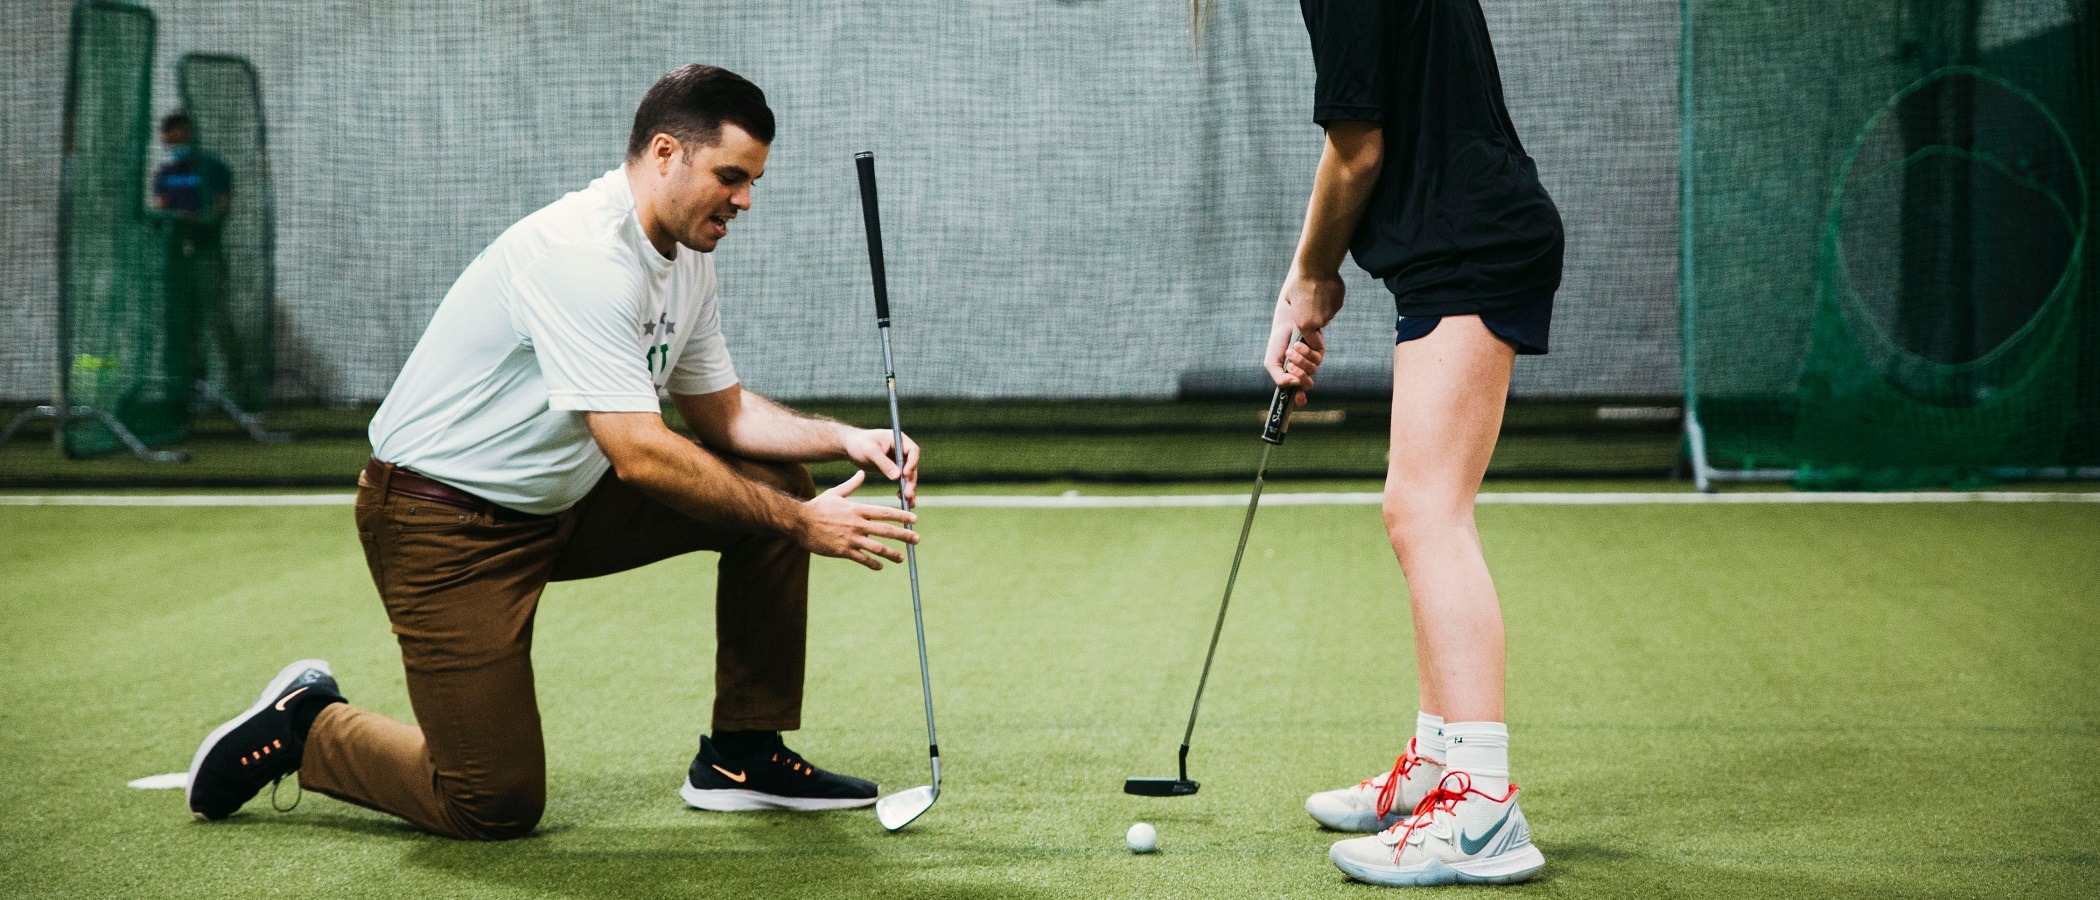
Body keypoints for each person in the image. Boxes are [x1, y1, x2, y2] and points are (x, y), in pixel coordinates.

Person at [182, 65, 926, 840]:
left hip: (563, 502)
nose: (744, 201)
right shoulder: (582, 258)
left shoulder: (687, 255)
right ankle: (308, 727)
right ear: (666, 152)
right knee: (491, 802)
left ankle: (742, 755)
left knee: (775, 479)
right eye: (731, 177)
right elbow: (640, 453)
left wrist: (847, 438)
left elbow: (724, 415)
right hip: (441, 525)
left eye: (753, 182)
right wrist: (802, 525)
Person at [1272, 0, 1565, 888]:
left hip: (1468, 237)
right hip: (1459, 233)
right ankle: (1439, 764)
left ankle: (1480, 811)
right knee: (1423, 505)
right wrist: (1303, 280)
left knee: (1426, 511)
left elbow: (1359, 149)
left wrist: (1314, 276)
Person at [151, 111, 240, 394]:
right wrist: (169, 218)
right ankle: (186, 389)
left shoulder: (213, 168)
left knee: (213, 319)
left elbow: (220, 209)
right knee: (180, 322)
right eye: (169, 143)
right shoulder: (166, 174)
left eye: (179, 140)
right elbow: (160, 208)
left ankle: (229, 387)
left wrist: (195, 218)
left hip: (205, 254)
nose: (174, 148)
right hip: (175, 258)